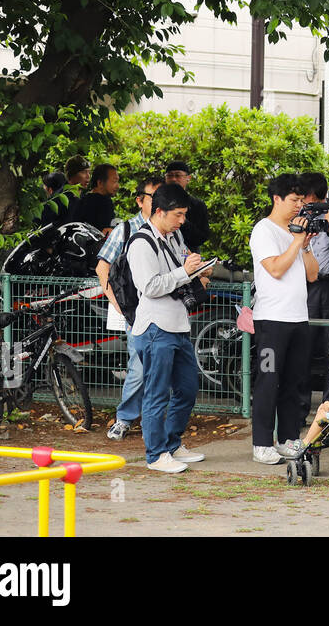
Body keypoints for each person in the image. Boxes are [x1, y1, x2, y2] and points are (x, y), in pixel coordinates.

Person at [127, 183, 207, 474]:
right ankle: (156, 454)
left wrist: (196, 269)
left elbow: (178, 271)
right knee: (156, 394)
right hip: (154, 327)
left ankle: (171, 444)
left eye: (184, 215)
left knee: (186, 389)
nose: (182, 221)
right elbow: (149, 286)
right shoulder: (140, 243)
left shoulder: (173, 236)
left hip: (177, 324)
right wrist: (184, 273)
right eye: (178, 215)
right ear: (158, 211)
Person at [249, 174, 319, 465]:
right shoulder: (263, 230)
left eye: (302, 200)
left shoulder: (297, 234)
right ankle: (262, 443)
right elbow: (276, 269)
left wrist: (303, 245)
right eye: (294, 200)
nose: (299, 206)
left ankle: (288, 439)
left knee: (294, 382)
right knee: (269, 381)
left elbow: (313, 274)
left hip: (298, 319)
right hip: (271, 321)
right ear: (276, 199)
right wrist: (296, 241)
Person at [97, 176, 167, 441]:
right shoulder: (126, 230)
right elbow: (102, 266)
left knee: (159, 366)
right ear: (140, 200)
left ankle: (151, 419)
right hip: (136, 312)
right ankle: (124, 418)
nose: (161, 204)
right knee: (138, 366)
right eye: (154, 198)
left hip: (164, 310)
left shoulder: (170, 230)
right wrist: (117, 303)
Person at [299, 170, 329, 410]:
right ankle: (301, 407)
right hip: (306, 287)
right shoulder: (295, 219)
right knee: (303, 348)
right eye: (306, 200)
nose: (309, 205)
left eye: (314, 199)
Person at [165, 161, 210, 252]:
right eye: (170, 176)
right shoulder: (157, 202)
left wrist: (181, 220)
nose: (174, 179)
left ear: (188, 178)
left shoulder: (197, 205)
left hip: (190, 256)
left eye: (178, 175)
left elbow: (202, 237)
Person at [68, 163, 119, 235]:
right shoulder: (104, 202)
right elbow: (108, 231)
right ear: (100, 183)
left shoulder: (82, 200)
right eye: (114, 181)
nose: (117, 186)